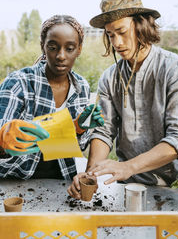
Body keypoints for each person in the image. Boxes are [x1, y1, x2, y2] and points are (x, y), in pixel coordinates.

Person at [68, 0, 178, 199]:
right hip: (130, 187)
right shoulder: (109, 77)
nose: (116, 43)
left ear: (141, 26)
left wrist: (128, 166)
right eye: (110, 35)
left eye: (121, 31)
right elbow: (103, 131)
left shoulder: (176, 69)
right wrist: (90, 175)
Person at [0, 14, 104, 179]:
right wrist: (2, 137)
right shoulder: (19, 82)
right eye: (53, 47)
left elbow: (79, 146)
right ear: (43, 46)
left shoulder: (81, 86)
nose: (61, 56)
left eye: (69, 48)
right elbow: (4, 140)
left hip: (60, 179)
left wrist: (79, 129)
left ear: (79, 49)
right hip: (16, 179)